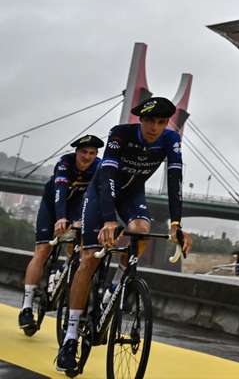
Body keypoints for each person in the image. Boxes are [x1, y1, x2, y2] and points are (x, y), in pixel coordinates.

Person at [55, 97, 193, 373]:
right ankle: (70, 338)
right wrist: (108, 219)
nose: (155, 127)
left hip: (132, 194)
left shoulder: (170, 140)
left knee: (141, 229)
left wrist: (176, 224)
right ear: (140, 120)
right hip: (102, 193)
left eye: (161, 122)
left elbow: (175, 178)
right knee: (89, 260)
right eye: (150, 121)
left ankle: (117, 287)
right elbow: (106, 177)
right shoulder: (120, 134)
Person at [17, 135, 103, 334]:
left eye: (92, 153)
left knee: (81, 249)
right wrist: (60, 217)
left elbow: (99, 195)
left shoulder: (98, 167)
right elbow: (60, 193)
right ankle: (27, 306)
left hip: (77, 208)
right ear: (76, 152)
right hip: (54, 206)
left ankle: (65, 272)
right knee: (43, 250)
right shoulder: (64, 164)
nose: (87, 157)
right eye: (83, 152)